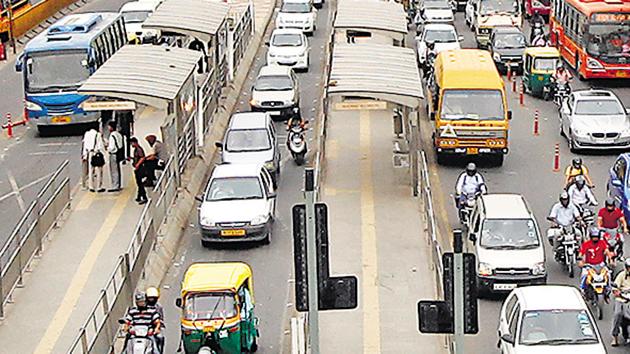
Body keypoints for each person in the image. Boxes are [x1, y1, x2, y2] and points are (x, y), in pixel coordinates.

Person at [612, 259, 630, 346]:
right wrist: (617, 292)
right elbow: (615, 287)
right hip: (621, 299)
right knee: (617, 314)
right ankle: (615, 337)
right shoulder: (621, 275)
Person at [81, 128, 105, 193]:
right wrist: (103, 154)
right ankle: (99, 187)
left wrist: (84, 156)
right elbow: (100, 146)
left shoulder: (87, 134)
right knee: (99, 171)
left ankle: (91, 186)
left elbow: (85, 146)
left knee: (91, 170)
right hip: (96, 153)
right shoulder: (98, 135)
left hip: (89, 153)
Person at [106, 121, 124, 192]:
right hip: (119, 153)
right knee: (118, 170)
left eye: (109, 126)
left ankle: (115, 186)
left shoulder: (112, 135)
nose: (108, 128)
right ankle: (118, 184)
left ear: (111, 127)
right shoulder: (118, 134)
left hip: (113, 154)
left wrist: (107, 148)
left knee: (114, 170)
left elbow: (112, 147)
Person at [146, 286, 165, 353]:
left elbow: (161, 319)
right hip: (142, 329)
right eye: (150, 298)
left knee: (160, 337)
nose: (151, 300)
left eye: (153, 298)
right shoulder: (142, 306)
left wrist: (157, 328)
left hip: (154, 328)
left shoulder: (158, 307)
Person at [131, 137, 148, 205]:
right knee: (139, 183)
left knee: (140, 184)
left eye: (132, 143)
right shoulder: (136, 150)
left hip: (140, 168)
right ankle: (139, 196)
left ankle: (144, 197)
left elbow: (142, 157)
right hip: (138, 168)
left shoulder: (139, 149)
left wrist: (137, 164)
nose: (131, 144)